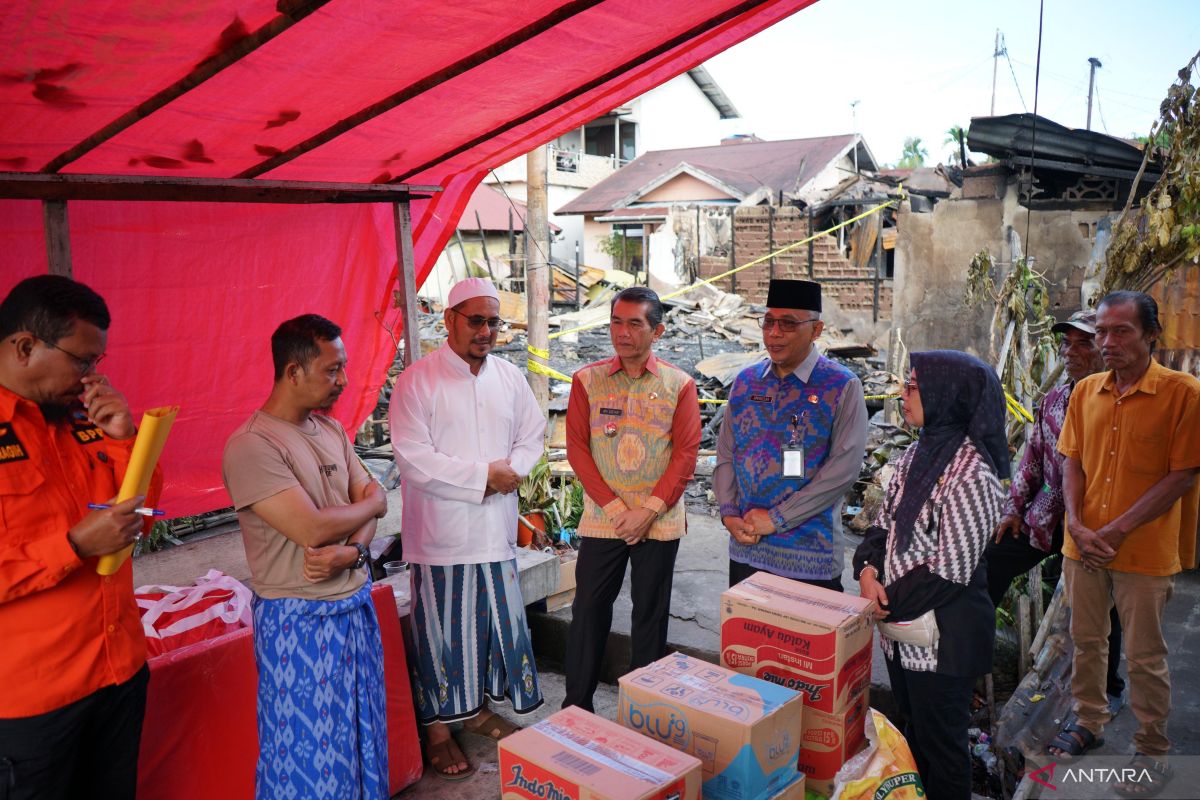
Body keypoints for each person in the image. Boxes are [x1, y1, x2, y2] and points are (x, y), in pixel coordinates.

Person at [0, 275, 161, 800]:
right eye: (83, 360)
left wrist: (124, 442)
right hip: (32, 703)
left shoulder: (82, 415)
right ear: (25, 346)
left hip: (119, 673)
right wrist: (72, 547)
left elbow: (146, 519)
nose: (94, 376)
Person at [222, 314, 389, 800]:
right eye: (332, 370)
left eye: (344, 368)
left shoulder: (330, 430)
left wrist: (353, 552)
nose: (343, 381)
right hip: (299, 622)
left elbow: (372, 497)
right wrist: (371, 507)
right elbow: (312, 528)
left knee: (362, 741)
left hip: (353, 605)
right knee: (307, 757)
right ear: (292, 372)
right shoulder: (253, 445)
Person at [389, 277, 546, 780]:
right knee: (440, 636)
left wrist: (514, 471)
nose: (485, 330)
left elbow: (531, 434)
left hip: (495, 529)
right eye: (475, 319)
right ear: (449, 320)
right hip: (442, 534)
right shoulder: (418, 380)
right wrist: (484, 478)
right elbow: (415, 461)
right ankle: (437, 729)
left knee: (486, 629)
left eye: (493, 321)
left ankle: (474, 710)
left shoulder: (508, 377)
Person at [1047, 291, 1199, 798]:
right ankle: (1088, 720)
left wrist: (1113, 530)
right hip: (1082, 546)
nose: (1106, 342)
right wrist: (1076, 522)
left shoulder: (1183, 394)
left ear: (1152, 335)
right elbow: (1072, 462)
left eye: (1121, 331)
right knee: (1086, 641)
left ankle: (1151, 748)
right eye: (1102, 332)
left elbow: (1181, 476)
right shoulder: (1085, 391)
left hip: (1143, 551)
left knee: (1144, 655)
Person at [853, 351, 1007, 800]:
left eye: (914, 386)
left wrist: (882, 601)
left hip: (943, 642)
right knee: (913, 738)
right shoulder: (915, 455)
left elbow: (950, 570)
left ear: (948, 396)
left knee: (942, 750)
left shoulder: (974, 473)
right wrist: (866, 572)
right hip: (902, 634)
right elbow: (882, 525)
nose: (904, 393)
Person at [562, 287, 701, 711]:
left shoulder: (680, 384)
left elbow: (686, 453)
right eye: (616, 322)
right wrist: (619, 510)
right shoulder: (587, 380)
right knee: (588, 608)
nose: (622, 333)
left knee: (649, 617)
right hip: (606, 517)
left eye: (634, 323)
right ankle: (576, 707)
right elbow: (578, 450)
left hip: (658, 520)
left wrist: (650, 510)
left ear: (656, 331)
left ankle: (643, 711)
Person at [986, 310, 1126, 713]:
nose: (1071, 351)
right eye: (1067, 343)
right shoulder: (1053, 400)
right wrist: (1014, 509)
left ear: (1105, 348)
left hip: (1095, 522)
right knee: (992, 560)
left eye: (1083, 342)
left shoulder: (1116, 407)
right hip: (1047, 518)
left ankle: (1110, 688)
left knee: (1103, 607)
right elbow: (1031, 458)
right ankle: (976, 650)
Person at [714, 278, 868, 590]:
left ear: (816, 330)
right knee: (747, 640)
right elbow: (727, 453)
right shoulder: (746, 382)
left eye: (787, 324)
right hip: (746, 549)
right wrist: (729, 513)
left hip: (809, 560)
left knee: (804, 640)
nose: (774, 333)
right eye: (768, 322)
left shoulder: (841, 386)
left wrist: (777, 519)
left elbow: (843, 470)